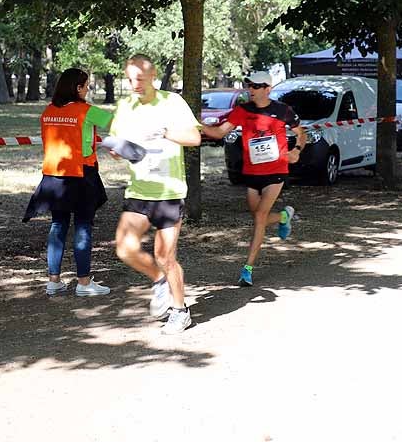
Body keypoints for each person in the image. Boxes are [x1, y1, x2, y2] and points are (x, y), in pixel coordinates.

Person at [111, 55, 202, 334]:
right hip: (139, 189)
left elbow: (195, 139)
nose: (134, 84)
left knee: (165, 256)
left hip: (169, 190)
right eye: (129, 79)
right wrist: (117, 150)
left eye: (139, 78)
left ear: (153, 76)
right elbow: (118, 143)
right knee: (124, 248)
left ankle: (180, 310)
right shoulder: (126, 106)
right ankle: (159, 281)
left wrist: (164, 132)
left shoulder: (172, 102)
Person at [201, 71, 307, 286]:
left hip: (276, 171)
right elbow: (219, 133)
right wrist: (195, 124)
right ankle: (284, 217)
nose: (251, 90)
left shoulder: (282, 110)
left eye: (256, 86)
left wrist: (296, 150)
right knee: (259, 217)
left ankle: (247, 269)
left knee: (259, 217)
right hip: (252, 173)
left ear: (268, 88)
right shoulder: (243, 110)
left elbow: (301, 133)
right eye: (249, 86)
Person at [23, 68, 113, 297]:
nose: (88, 90)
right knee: (83, 226)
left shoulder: (48, 111)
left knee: (58, 225)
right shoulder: (86, 111)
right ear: (77, 88)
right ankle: (83, 283)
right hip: (81, 174)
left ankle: (54, 281)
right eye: (86, 86)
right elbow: (113, 121)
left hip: (53, 176)